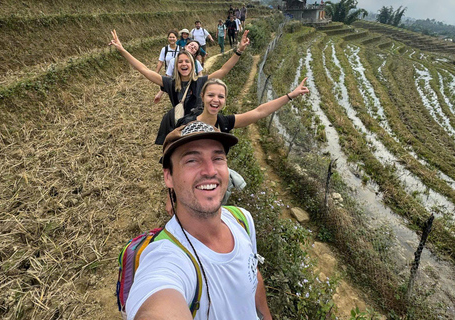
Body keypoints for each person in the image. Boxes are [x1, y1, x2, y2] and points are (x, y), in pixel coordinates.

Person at [125, 121, 272, 320]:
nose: (210, 170)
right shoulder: (166, 259)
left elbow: (252, 274)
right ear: (168, 177)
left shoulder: (241, 219)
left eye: (218, 158)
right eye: (192, 160)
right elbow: (157, 306)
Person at [108, 29, 251, 145]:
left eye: (187, 62)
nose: (184, 64)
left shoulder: (200, 82)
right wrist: (122, 50)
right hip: (180, 128)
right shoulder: (170, 83)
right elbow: (144, 69)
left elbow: (223, 70)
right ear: (176, 65)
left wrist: (239, 51)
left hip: (198, 128)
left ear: (192, 65)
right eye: (180, 61)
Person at [177, 77, 310, 133]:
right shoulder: (187, 124)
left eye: (221, 96)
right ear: (202, 97)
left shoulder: (224, 122)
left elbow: (260, 112)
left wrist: (290, 95)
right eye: (211, 95)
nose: (215, 100)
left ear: (225, 100)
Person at [154, 40, 204, 104]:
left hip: (192, 93)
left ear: (195, 53)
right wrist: (160, 93)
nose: (192, 47)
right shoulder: (173, 61)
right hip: (178, 91)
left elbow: (200, 77)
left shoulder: (196, 63)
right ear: (185, 46)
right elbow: (167, 79)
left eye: (195, 48)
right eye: (191, 45)